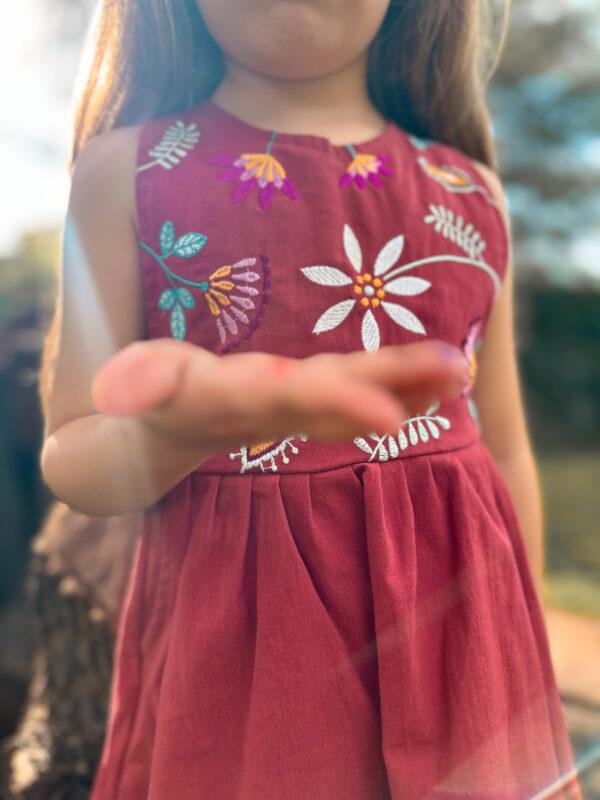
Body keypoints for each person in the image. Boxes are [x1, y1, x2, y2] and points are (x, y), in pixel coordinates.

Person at [39, 0, 583, 797]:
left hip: (470, 654)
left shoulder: (471, 193)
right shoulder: (125, 173)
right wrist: (186, 430)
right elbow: (71, 451)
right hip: (246, 676)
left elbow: (502, 448)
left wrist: (519, 646)